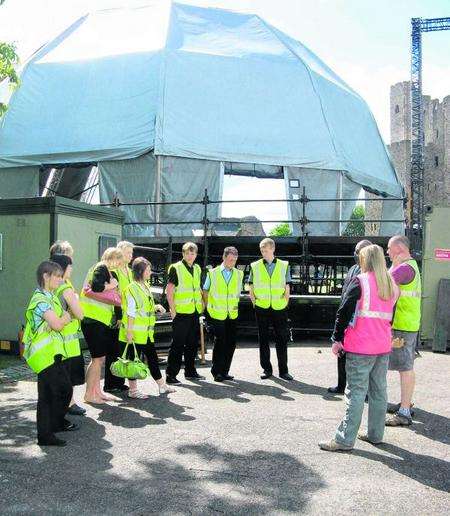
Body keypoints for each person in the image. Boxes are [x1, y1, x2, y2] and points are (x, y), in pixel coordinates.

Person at [319, 245, 399, 452]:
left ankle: (344, 440)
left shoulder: (360, 281)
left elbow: (343, 312)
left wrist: (336, 339)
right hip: (382, 346)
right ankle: (375, 434)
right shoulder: (392, 285)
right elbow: (391, 317)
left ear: (365, 260)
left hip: (360, 347)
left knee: (355, 393)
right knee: (379, 392)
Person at [23, 261, 74, 446]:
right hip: (43, 356)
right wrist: (68, 316)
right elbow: (57, 324)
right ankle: (49, 431)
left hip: (52, 354)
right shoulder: (40, 300)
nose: (61, 280)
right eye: (58, 276)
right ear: (46, 276)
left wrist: (64, 317)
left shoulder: (50, 297)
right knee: (58, 391)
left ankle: (49, 430)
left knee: (53, 393)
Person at [119, 257, 175, 398]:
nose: (150, 272)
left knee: (152, 358)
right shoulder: (132, 288)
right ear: (140, 271)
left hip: (145, 333)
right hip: (136, 333)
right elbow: (131, 312)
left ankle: (162, 385)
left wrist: (156, 307)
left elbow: (142, 308)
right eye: (148, 270)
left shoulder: (144, 286)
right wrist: (130, 332)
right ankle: (133, 391)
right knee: (133, 362)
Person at [385, 235, 422, 427]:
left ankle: (404, 412)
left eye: (389, 249)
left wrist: (392, 267)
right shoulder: (412, 266)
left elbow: (383, 284)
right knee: (406, 367)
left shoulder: (404, 268)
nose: (388, 252)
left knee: (405, 368)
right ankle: (405, 405)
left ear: (399, 249)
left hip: (402, 325)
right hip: (408, 323)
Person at [328, 240, 372, 394]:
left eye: (358, 251)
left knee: (362, 358)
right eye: (355, 250)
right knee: (342, 352)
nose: (355, 254)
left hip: (360, 319)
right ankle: (341, 385)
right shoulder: (353, 268)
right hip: (347, 317)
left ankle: (364, 392)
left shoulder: (371, 272)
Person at [80, 247, 123, 404]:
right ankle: (89, 395)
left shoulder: (106, 270)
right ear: (112, 257)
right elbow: (97, 287)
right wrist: (112, 286)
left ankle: (96, 392)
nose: (119, 264)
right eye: (119, 261)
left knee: (99, 358)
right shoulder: (101, 267)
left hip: (98, 320)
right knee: (97, 359)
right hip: (93, 320)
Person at [249, 238, 293, 380]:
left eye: (266, 250)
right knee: (263, 339)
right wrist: (255, 303)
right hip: (261, 307)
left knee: (282, 339)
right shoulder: (254, 266)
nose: (264, 253)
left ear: (273, 249)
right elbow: (251, 286)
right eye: (262, 250)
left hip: (279, 307)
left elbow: (287, 287)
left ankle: (283, 371)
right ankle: (266, 369)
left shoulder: (284, 265)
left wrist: (285, 303)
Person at [51, 254, 86, 416]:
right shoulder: (65, 288)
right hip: (68, 339)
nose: (72, 269)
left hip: (56, 338)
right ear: (63, 268)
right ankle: (69, 404)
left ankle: (67, 403)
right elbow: (80, 314)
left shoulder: (52, 286)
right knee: (68, 375)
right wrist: (77, 300)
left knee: (60, 374)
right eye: (70, 266)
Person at [165, 242, 204, 384]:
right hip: (180, 313)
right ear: (183, 254)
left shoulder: (198, 268)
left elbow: (197, 289)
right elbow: (169, 291)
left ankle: (190, 372)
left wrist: (202, 306)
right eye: (187, 253)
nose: (190, 256)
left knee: (193, 344)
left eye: (192, 253)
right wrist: (173, 311)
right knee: (178, 344)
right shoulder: (176, 268)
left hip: (194, 312)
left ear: (196, 254)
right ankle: (171, 375)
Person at [203, 246, 243, 382]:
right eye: (231, 260)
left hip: (232, 313)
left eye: (235, 260)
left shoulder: (239, 274)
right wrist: (209, 308)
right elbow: (205, 291)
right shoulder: (212, 273)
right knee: (220, 343)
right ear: (224, 258)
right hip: (217, 313)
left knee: (231, 343)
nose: (233, 263)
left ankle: (225, 371)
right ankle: (217, 372)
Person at [103, 241, 135, 394]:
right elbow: (114, 294)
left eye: (131, 253)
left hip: (127, 315)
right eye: (128, 253)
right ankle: (110, 383)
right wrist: (118, 315)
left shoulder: (129, 271)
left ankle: (119, 381)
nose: (130, 255)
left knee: (122, 349)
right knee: (113, 350)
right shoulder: (114, 271)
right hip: (117, 315)